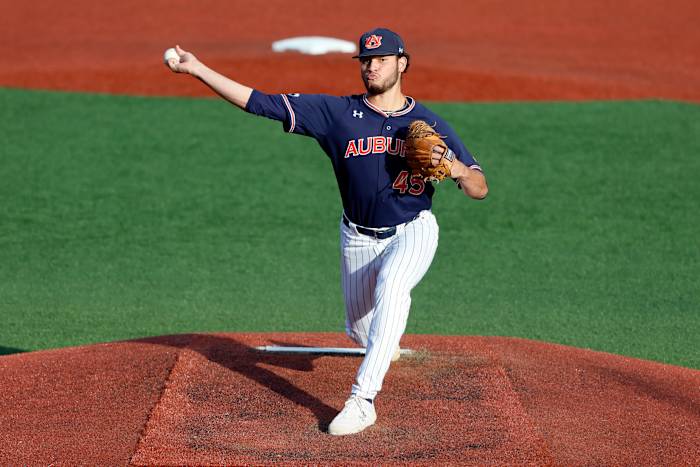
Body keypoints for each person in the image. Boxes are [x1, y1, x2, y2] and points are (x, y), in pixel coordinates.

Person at [165, 27, 488, 436]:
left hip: (413, 229)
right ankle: (383, 341)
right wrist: (198, 70)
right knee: (361, 331)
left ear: (402, 63)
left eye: (382, 59)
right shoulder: (337, 115)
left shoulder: (429, 122)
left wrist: (457, 169)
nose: (372, 67)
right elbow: (260, 103)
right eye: (366, 60)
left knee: (393, 287)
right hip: (357, 237)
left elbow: (480, 187)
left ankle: (363, 400)